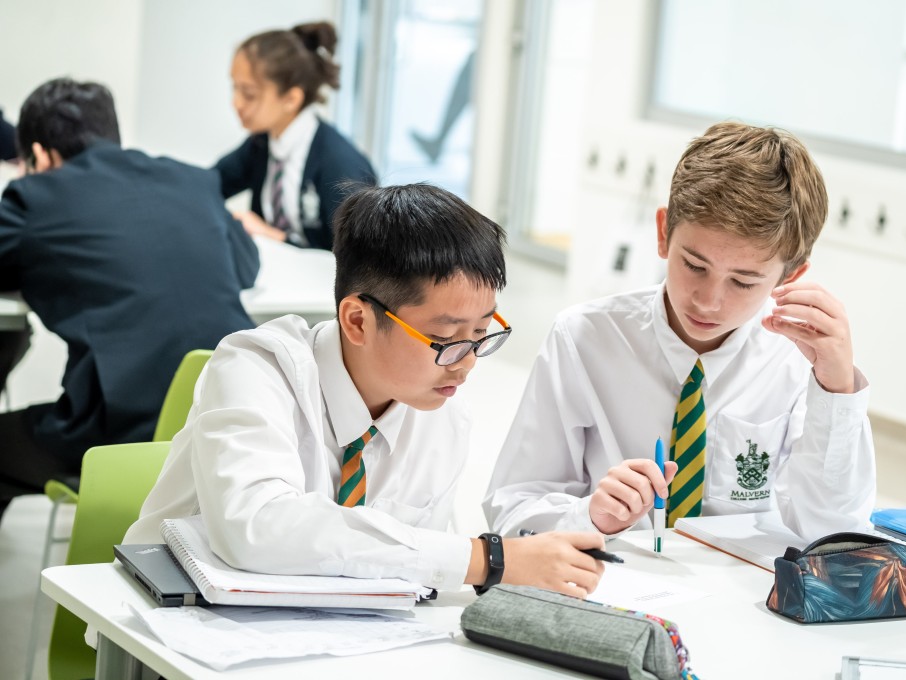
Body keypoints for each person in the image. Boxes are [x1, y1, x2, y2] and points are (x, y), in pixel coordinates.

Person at [123, 183, 606, 598]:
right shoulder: (255, 368)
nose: (467, 362)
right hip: (174, 627)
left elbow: (419, 577)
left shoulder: (442, 417)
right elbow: (256, 527)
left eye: (481, 334)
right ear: (357, 320)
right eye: (445, 339)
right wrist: (488, 560)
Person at [484, 122, 876, 541]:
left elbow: (834, 532)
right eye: (694, 265)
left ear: (790, 276)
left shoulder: (798, 361)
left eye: (743, 282)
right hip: (612, 569)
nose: (709, 301)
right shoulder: (583, 339)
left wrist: (837, 391)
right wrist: (589, 517)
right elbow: (513, 512)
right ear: (663, 233)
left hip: (742, 578)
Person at [0, 78, 259, 519]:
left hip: (117, 436)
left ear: (40, 156)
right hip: (227, 420)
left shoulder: (36, 197)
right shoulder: (193, 181)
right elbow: (244, 264)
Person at [215, 21, 377, 251]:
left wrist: (277, 238)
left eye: (249, 94)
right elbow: (211, 183)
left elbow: (360, 257)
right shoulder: (261, 143)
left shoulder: (341, 165)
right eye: (235, 87)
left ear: (291, 99)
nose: (236, 103)